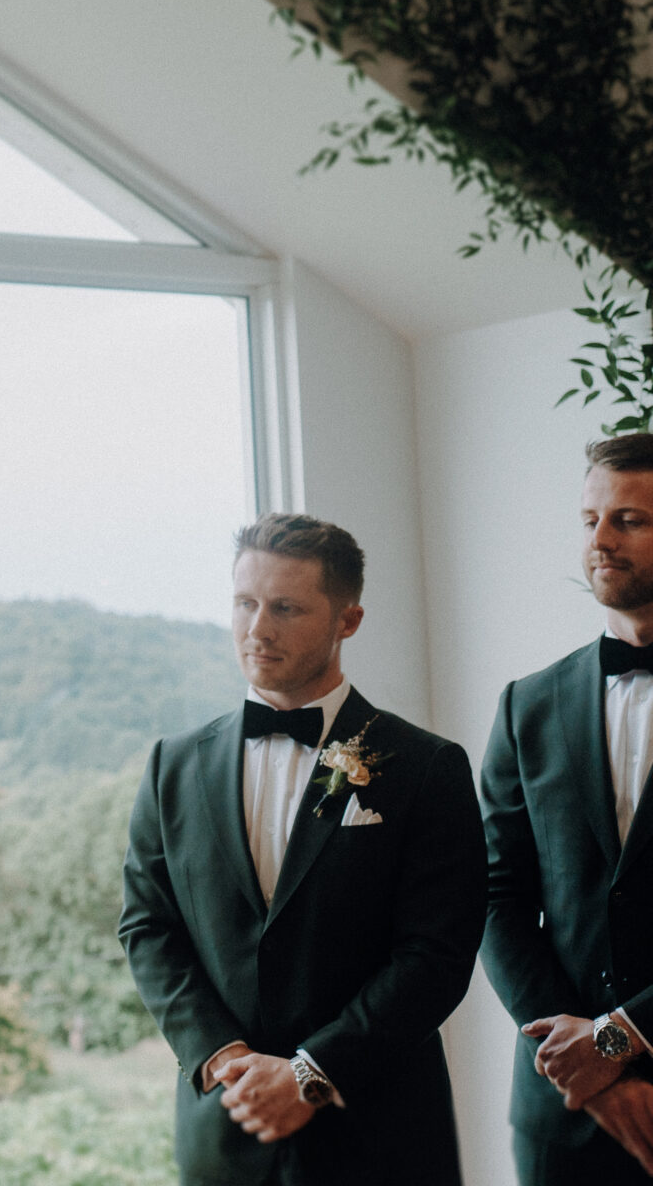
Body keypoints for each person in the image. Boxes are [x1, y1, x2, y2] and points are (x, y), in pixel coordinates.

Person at [118, 512, 485, 1185]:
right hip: (227, 1131)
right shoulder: (172, 766)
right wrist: (223, 1057)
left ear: (348, 620)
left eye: (285, 607)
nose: (258, 628)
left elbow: (437, 952)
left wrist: (311, 1074)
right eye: (245, 603)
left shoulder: (425, 766)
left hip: (378, 1138)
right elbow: (147, 926)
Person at [482, 433, 653, 1183]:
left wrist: (618, 1041)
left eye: (630, 520)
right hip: (563, 1118)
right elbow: (495, 893)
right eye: (589, 521)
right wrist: (582, 1066)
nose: (601, 541)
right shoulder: (529, 705)